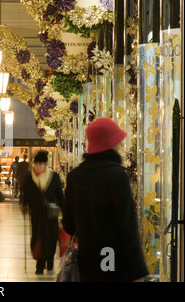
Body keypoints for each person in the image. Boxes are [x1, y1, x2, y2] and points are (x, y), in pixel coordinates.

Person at [62, 117, 149, 282]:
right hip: (112, 259)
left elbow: (68, 224)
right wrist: (139, 271)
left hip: (86, 261)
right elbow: (127, 228)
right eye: (117, 140)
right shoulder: (117, 176)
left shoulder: (75, 177)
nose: (120, 144)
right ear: (109, 143)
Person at [21, 151, 64, 275]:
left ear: (46, 164)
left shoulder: (53, 177)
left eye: (42, 164)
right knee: (38, 238)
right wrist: (24, 205)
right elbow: (25, 194)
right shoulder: (29, 178)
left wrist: (65, 210)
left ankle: (50, 262)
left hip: (51, 214)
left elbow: (60, 196)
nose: (39, 166)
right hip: (36, 214)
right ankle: (39, 265)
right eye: (37, 163)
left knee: (51, 238)